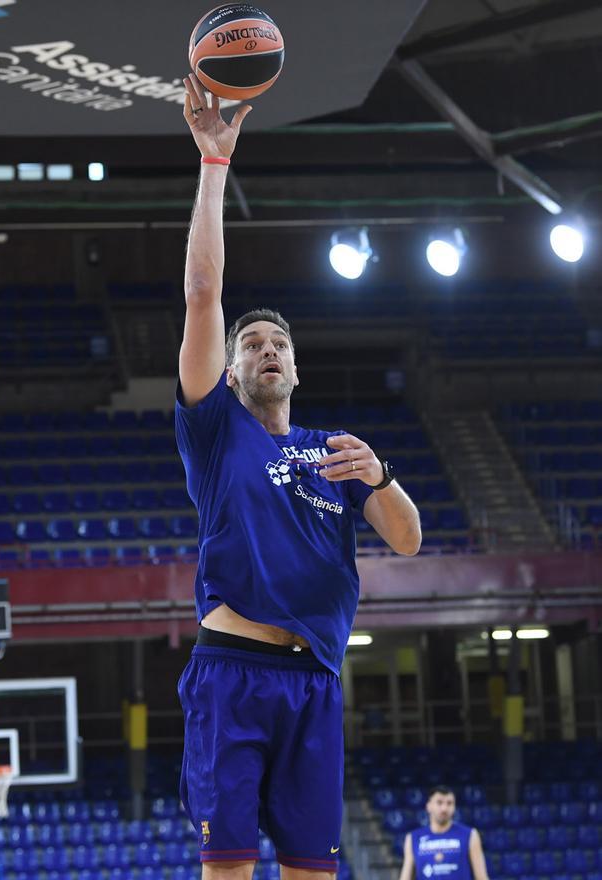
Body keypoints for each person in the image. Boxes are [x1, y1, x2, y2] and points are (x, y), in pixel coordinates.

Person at [175, 72, 422, 880]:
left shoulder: (335, 450)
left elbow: (410, 542)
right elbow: (204, 295)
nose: (267, 350)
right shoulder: (217, 432)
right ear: (235, 375)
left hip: (313, 679)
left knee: (315, 872)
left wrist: (382, 475)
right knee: (230, 870)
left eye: (278, 343)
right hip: (232, 674)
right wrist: (215, 166)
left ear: (296, 367)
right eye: (252, 347)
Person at [398, 786, 489, 880]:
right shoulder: (413, 838)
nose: (444, 808)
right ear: (428, 806)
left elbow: (481, 877)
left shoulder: (470, 834)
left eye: (449, 803)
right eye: (439, 802)